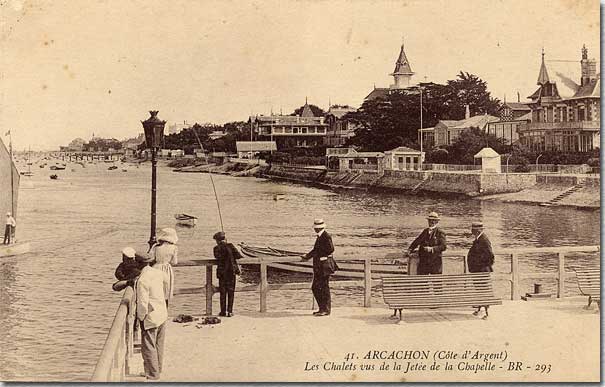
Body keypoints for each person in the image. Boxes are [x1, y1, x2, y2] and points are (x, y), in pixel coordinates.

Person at [136, 252, 169, 381]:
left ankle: (152, 374)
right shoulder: (158, 273)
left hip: (151, 316)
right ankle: (157, 369)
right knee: (159, 344)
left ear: (139, 264)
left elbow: (143, 303)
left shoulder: (142, 280)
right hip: (162, 312)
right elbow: (167, 282)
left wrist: (141, 317)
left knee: (148, 345)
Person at [301, 219, 337, 316]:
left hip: (324, 267)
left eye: (315, 228)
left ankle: (325, 309)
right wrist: (307, 256)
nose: (315, 230)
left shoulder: (326, 236)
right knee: (317, 287)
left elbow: (330, 249)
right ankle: (322, 308)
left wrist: (320, 255)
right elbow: (315, 250)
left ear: (317, 228)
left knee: (323, 287)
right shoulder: (320, 236)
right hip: (320, 267)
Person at [466, 222, 495, 317]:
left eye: (473, 229)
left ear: (478, 230)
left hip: (481, 270)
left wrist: (481, 265)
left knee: (483, 290)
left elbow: (490, 256)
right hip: (477, 270)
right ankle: (480, 309)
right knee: (479, 290)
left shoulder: (484, 240)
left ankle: (486, 312)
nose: (471, 231)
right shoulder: (478, 239)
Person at [213, 231, 242, 317]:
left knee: (222, 293)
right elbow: (239, 256)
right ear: (224, 238)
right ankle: (230, 311)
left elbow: (217, 257)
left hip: (222, 273)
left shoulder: (216, 248)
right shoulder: (230, 246)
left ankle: (222, 311)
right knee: (231, 292)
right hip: (231, 272)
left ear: (217, 240)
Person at [151, 228, 178, 307]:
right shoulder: (174, 247)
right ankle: (164, 312)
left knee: (156, 292)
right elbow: (174, 262)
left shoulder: (156, 246)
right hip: (166, 269)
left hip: (156, 268)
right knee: (165, 292)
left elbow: (152, 258)